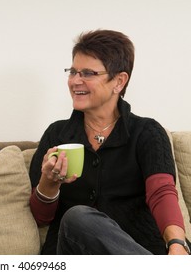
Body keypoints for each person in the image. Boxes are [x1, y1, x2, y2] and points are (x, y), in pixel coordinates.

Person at [29, 29, 190, 255]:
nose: (75, 81)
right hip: (72, 254)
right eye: (73, 71)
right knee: (77, 217)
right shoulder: (57, 135)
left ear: (119, 81)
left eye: (88, 73)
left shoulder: (146, 132)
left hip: (137, 248)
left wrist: (177, 244)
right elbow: (41, 217)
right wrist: (49, 181)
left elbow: (161, 192)